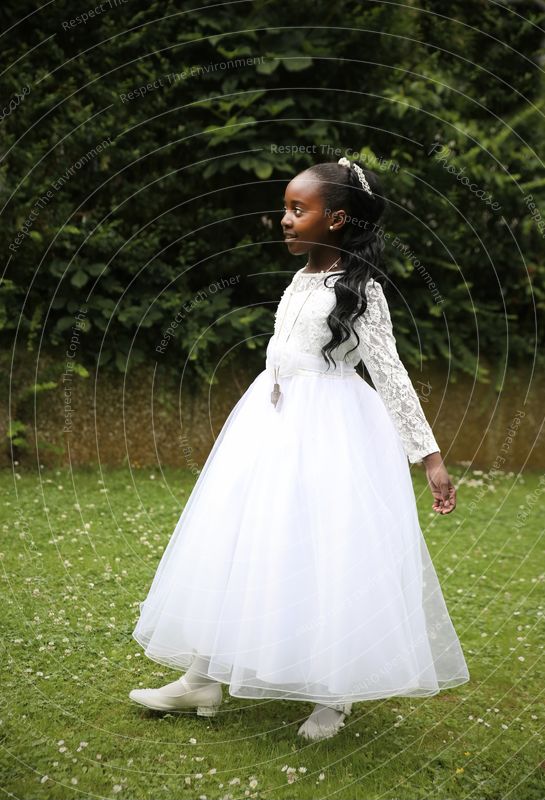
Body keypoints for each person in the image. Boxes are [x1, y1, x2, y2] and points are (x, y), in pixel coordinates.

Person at [129, 156, 469, 741]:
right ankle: (203, 677)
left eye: (297, 209)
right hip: (269, 424)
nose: (284, 219)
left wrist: (429, 457)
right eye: (285, 208)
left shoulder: (361, 292)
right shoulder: (302, 278)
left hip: (330, 432)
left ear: (336, 219)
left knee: (325, 551)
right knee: (242, 538)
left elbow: (389, 375)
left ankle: (333, 694)